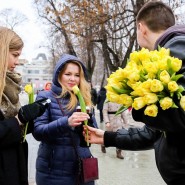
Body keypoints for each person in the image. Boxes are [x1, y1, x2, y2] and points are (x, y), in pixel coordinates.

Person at [84, 1, 185, 185]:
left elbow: (180, 116)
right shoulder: (169, 52)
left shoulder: (176, 49)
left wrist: (141, 105)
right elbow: (154, 132)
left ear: (141, 28)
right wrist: (108, 137)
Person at [33, 54, 98, 185]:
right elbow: (38, 131)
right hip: (54, 172)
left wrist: (89, 122)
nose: (73, 79)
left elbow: (93, 133)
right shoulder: (45, 97)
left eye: (77, 75)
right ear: (59, 75)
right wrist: (66, 122)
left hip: (81, 168)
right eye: (68, 74)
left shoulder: (84, 98)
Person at [0, 27, 48, 185]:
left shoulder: (9, 84)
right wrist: (19, 119)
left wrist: (32, 118)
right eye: (15, 55)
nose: (17, 62)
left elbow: (11, 128)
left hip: (13, 167)